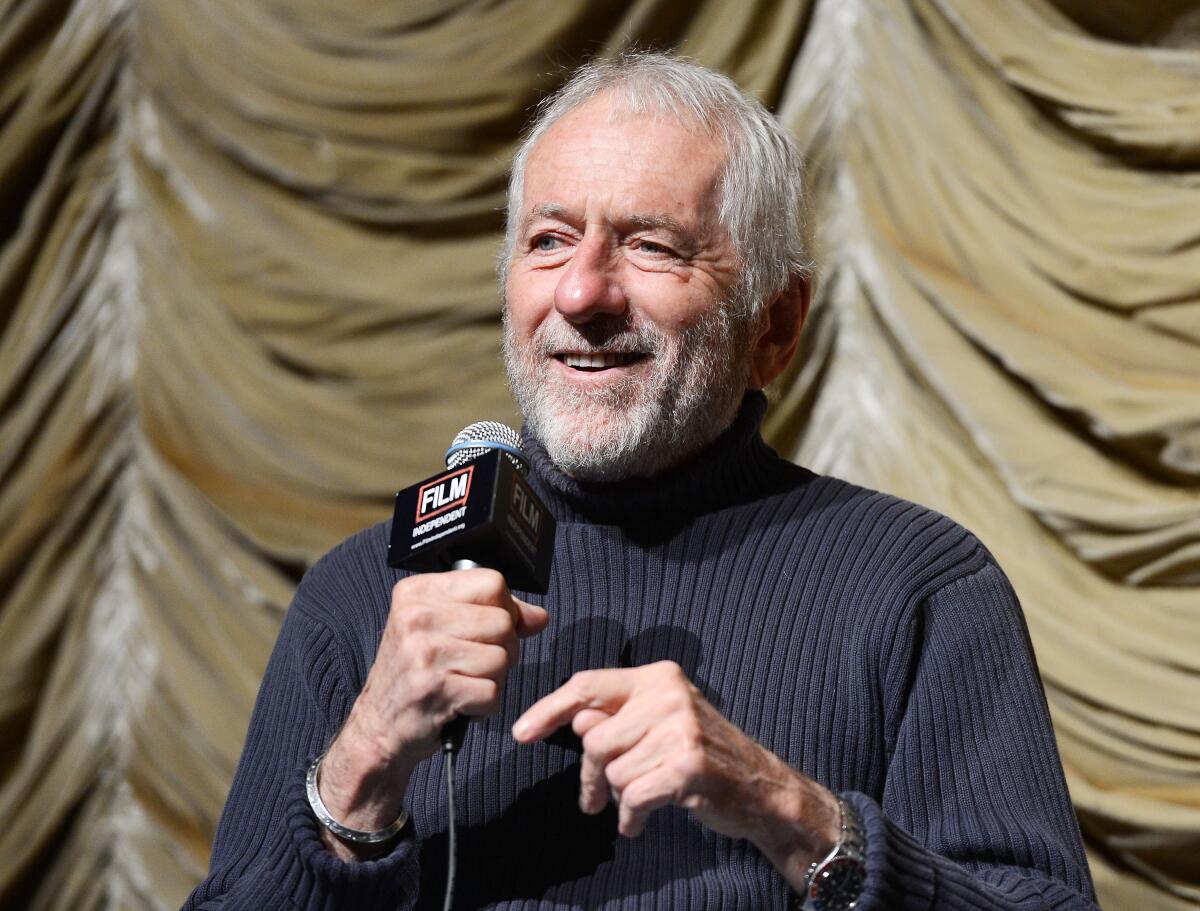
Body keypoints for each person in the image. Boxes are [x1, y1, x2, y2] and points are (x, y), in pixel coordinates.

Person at [184, 53, 1098, 910]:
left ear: (774, 326)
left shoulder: (919, 585)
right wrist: (363, 765)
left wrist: (789, 810)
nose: (582, 292)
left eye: (652, 246)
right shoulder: (367, 596)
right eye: (549, 240)